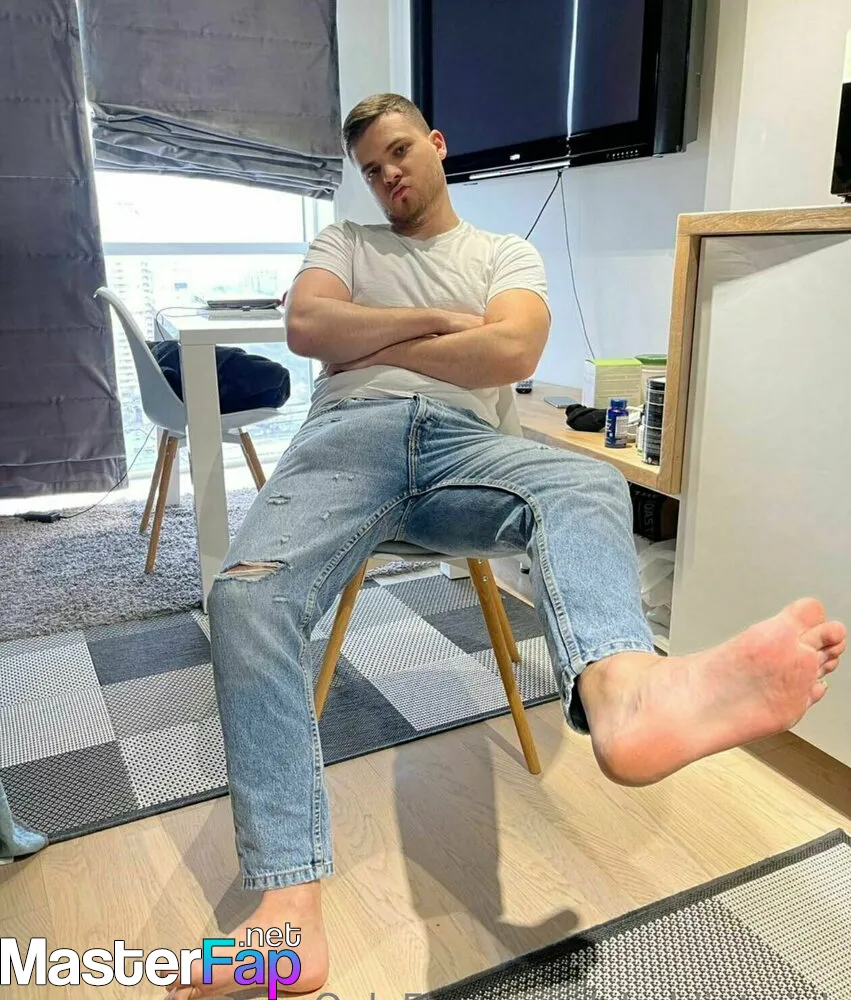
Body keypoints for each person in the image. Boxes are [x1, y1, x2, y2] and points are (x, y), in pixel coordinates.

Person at [166, 94, 846, 1000]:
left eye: (399, 151)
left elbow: (515, 353)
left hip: (464, 452)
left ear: (436, 144)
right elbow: (307, 332)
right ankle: (287, 913)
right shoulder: (345, 243)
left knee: (584, 481)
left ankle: (625, 694)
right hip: (344, 443)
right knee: (246, 594)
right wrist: (449, 326)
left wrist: (377, 340)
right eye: (370, 168)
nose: (387, 174)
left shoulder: (502, 254)